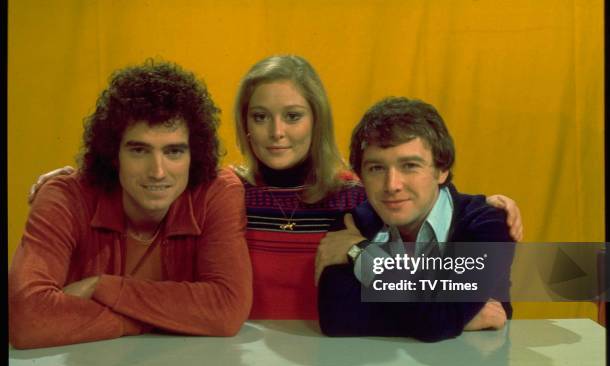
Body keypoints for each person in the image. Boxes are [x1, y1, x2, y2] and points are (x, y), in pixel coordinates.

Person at [25, 55, 522, 321]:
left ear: (316, 120)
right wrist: (75, 179)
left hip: (331, 355)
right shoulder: (220, 191)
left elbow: (429, 204)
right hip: (230, 353)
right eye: (260, 117)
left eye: (292, 116)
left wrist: (489, 210)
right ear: (243, 123)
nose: (276, 133)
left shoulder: (356, 191)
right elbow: (147, 168)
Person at [9, 60, 252, 349]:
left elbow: (226, 310)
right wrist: (158, 319)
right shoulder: (63, 196)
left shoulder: (217, 191)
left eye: (174, 151)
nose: (158, 171)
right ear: (114, 154)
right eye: (139, 150)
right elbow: (28, 320)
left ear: (193, 156)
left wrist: (100, 286)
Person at [317, 97, 514, 342]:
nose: (392, 185)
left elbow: (440, 318)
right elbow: (336, 319)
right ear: (361, 175)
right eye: (376, 168)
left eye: (409, 165)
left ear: (441, 170)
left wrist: (361, 253)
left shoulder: (487, 225)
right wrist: (450, 317)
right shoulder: (353, 223)